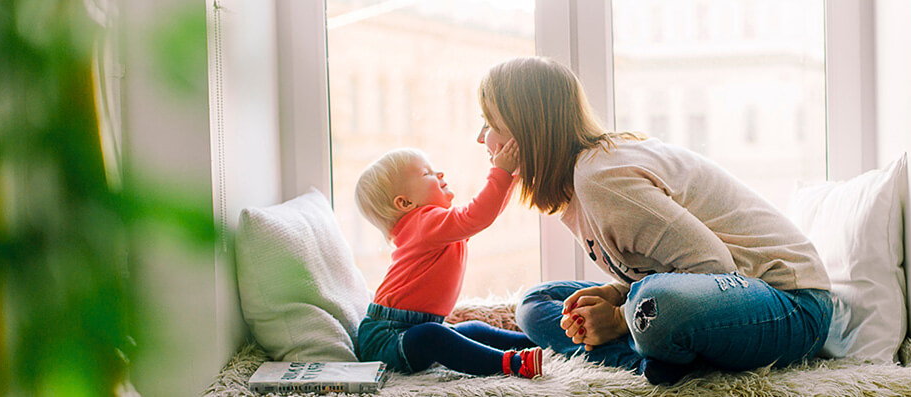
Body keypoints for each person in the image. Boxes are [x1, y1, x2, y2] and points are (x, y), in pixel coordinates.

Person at [476, 56, 834, 385]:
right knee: (537, 303)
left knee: (654, 304)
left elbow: (715, 267)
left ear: (528, 130)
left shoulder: (600, 177)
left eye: (490, 123)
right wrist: (618, 295)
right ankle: (654, 357)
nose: (481, 137)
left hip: (791, 304)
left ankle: (648, 348)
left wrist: (617, 317)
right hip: (717, 297)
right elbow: (667, 271)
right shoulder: (577, 186)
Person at [353, 145, 544, 379]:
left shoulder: (433, 226)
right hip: (387, 338)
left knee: (472, 329)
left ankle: (537, 341)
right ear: (404, 203)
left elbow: (485, 216)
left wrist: (511, 178)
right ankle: (512, 364)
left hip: (412, 327)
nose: (440, 173)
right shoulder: (424, 223)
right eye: (427, 173)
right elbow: (478, 215)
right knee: (433, 337)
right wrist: (501, 172)